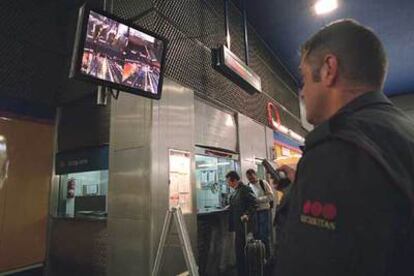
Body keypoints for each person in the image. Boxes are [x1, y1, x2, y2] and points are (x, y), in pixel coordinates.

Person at [275, 19, 414, 276]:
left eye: (304, 79)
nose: (303, 93)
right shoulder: (402, 133)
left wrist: (319, 176)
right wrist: (303, 186)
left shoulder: (336, 150)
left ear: (329, 69)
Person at [226, 171, 257, 276]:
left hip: (245, 226)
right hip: (238, 226)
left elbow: (253, 203)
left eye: (228, 182)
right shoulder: (235, 191)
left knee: (244, 250)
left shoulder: (245, 189)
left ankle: (247, 271)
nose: (228, 184)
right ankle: (241, 271)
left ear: (234, 180)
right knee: (239, 250)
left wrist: (247, 214)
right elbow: (234, 205)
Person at [246, 168, 274, 259]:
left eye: (252, 178)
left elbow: (270, 196)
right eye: (249, 179)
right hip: (254, 213)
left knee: (264, 235)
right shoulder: (248, 186)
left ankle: (268, 256)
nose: (251, 180)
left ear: (256, 175)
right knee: (256, 234)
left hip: (264, 211)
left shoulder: (263, 183)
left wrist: (258, 200)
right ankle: (260, 256)